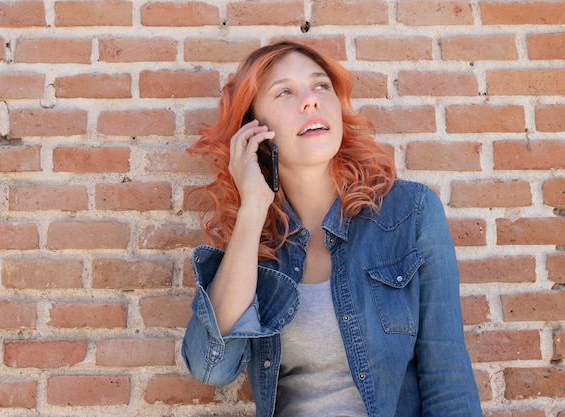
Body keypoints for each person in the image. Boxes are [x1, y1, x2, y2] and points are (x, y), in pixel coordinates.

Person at [181, 40, 482, 417]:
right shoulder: (255, 246)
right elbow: (211, 367)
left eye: (321, 86)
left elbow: (449, 385)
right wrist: (254, 208)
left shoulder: (411, 213)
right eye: (285, 92)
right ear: (254, 130)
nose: (310, 100)